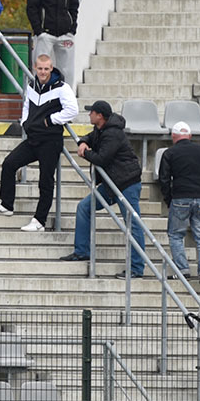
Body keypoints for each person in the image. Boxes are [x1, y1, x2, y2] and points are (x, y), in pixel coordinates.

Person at [0, 54, 77, 231]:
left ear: (51, 68)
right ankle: (6, 205)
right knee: (9, 164)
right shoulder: (32, 85)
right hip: (33, 138)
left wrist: (50, 120)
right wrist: (25, 123)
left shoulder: (62, 88)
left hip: (51, 141)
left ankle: (39, 221)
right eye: (40, 68)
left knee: (45, 181)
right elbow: (26, 105)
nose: (43, 72)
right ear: (35, 68)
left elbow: (72, 110)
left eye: (46, 69)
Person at [60, 100, 146, 278]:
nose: (89, 114)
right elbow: (90, 137)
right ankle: (82, 251)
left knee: (133, 224)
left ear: (99, 116)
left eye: (91, 112)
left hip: (126, 184)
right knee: (84, 207)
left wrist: (85, 153)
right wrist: (83, 142)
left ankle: (137, 268)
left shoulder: (113, 133)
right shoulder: (101, 129)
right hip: (111, 184)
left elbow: (102, 158)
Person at [157, 121, 200, 295]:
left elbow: (164, 179)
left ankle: (183, 270)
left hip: (180, 198)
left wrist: (168, 199)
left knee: (176, 235)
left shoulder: (170, 153)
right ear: (190, 136)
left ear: (173, 136)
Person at [27, 0, 79, 87]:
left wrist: (72, 29)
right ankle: (40, 96)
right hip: (45, 35)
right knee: (41, 70)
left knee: (67, 73)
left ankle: (66, 98)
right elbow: (31, 7)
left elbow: (74, 7)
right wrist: (39, 31)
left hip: (65, 35)